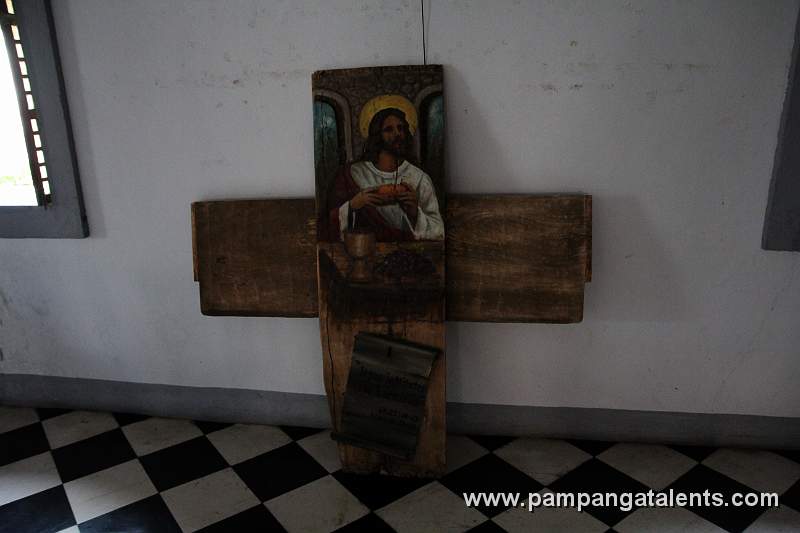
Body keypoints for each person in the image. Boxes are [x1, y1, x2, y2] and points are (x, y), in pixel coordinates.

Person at [323, 107, 444, 242]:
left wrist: (415, 213)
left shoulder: (419, 178)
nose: (398, 134)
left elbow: (439, 232)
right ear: (377, 135)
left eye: (401, 128)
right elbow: (326, 226)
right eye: (389, 129)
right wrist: (354, 204)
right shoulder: (352, 173)